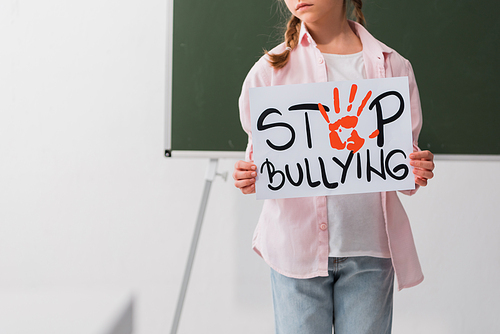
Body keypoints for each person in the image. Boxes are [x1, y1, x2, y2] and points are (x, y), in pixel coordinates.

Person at [232, 0, 435, 333]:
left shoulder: (392, 66)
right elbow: (260, 155)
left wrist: (417, 166)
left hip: (369, 250)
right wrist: (248, 175)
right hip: (295, 253)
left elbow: (402, 159)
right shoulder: (268, 71)